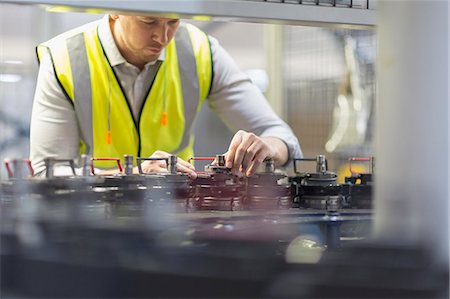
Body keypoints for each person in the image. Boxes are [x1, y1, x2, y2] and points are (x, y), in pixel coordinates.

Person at [30, 14, 302, 178]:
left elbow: (283, 138)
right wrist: (134, 175)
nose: (163, 36)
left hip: (177, 226)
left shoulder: (199, 51)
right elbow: (48, 172)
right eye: (148, 21)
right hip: (92, 229)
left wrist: (267, 147)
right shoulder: (63, 59)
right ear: (115, 11)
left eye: (173, 21)